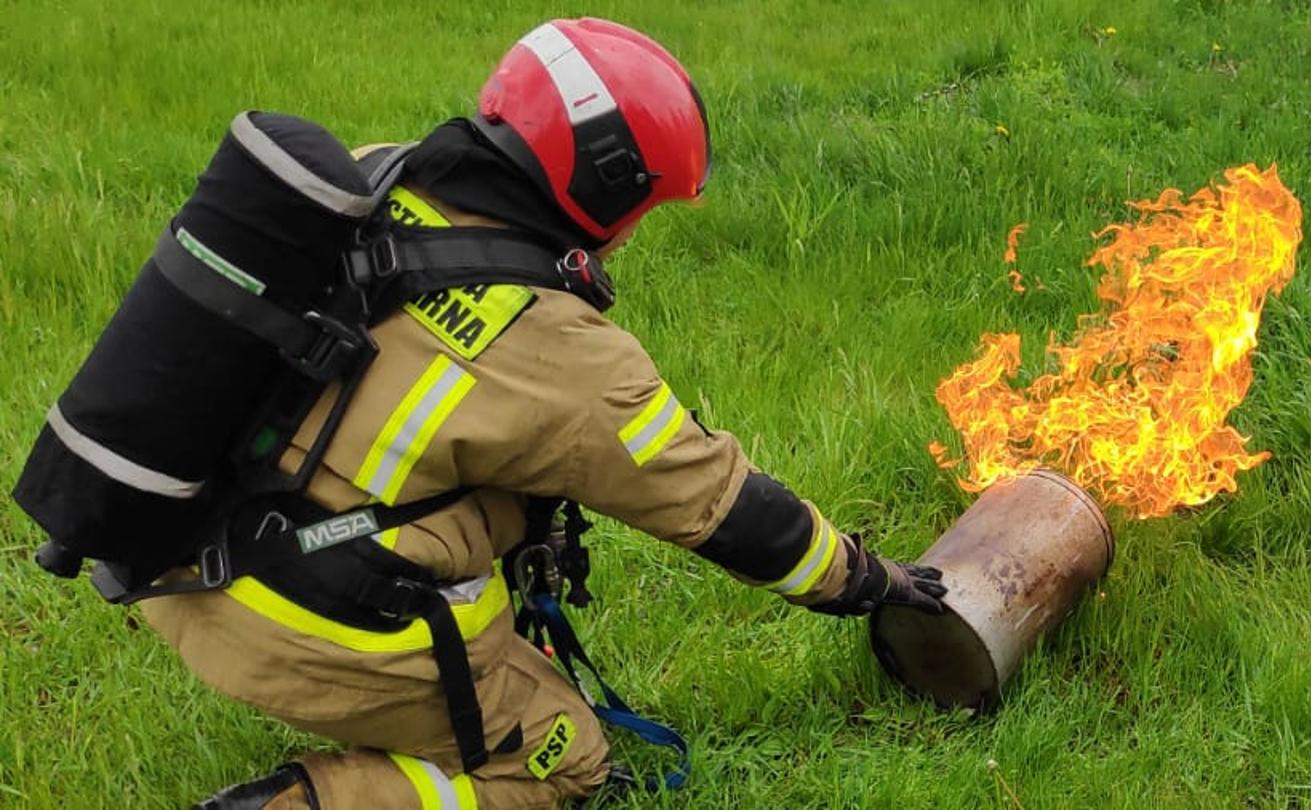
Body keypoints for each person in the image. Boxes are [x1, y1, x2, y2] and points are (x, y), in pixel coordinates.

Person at [164, 17, 948, 809]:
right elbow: (721, 505)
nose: (634, 234)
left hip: (176, 532)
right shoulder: (562, 355)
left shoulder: (374, 176)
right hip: (282, 615)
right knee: (562, 764)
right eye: (644, 205)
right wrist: (865, 578)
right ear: (608, 189)